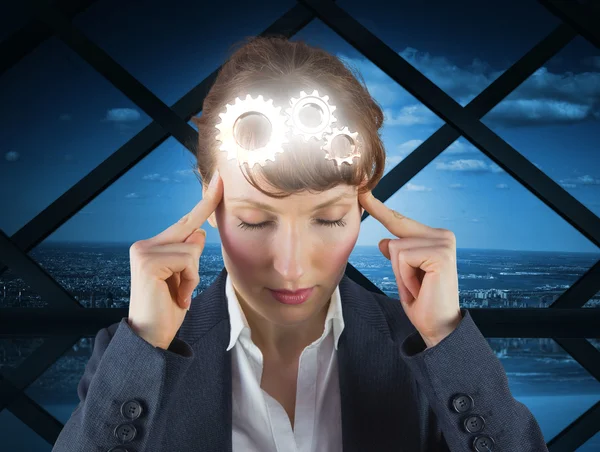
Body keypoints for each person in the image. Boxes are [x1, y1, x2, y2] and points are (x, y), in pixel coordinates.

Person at [52, 35, 548, 452]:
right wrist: (144, 344)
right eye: (253, 221)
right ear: (209, 205)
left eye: (329, 219)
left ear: (363, 207)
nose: (290, 267)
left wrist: (445, 337)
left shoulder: (427, 355)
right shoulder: (131, 358)